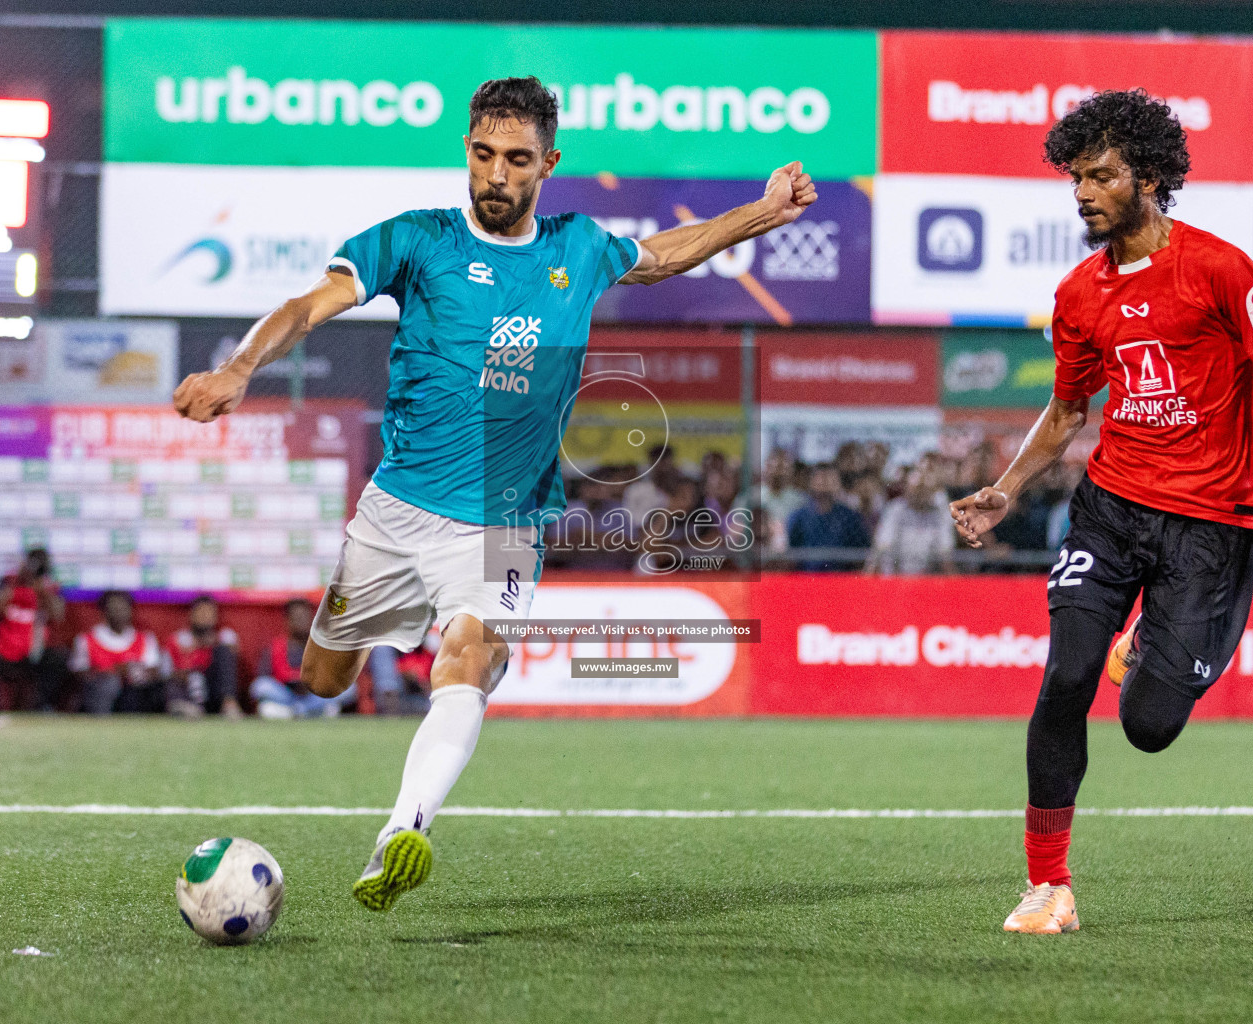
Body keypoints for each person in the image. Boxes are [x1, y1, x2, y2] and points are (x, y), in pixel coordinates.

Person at [173, 75, 816, 913]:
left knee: (471, 654)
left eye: (517, 160)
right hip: (398, 510)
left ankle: (401, 833)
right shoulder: (416, 241)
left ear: (549, 163)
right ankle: (391, 659)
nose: (497, 176)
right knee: (324, 677)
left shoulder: (578, 248)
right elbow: (306, 305)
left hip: (508, 522)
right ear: (467, 151)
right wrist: (238, 366)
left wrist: (762, 212)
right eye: (483, 155)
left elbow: (664, 254)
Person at [950, 90, 1253, 935]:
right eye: (1076, 177)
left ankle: (1149, 647)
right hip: (1111, 507)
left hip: (1212, 526)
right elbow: (1066, 413)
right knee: (1065, 676)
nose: (1083, 193)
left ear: (1152, 177)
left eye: (1101, 176)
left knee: (1149, 726)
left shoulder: (1219, 268)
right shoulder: (1078, 295)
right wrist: (1008, 488)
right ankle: (1047, 886)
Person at [0, 548, 69, 711]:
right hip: (6, 651)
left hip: (36, 652)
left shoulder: (49, 588)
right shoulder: (9, 583)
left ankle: (42, 706)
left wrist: (42, 591)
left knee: (59, 659)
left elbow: (58, 615)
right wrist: (18, 583)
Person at [251, 598, 359, 718]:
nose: (301, 621)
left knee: (349, 688)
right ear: (288, 620)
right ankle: (310, 712)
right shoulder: (277, 646)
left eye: (305, 617)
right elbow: (264, 677)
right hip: (287, 694)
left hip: (314, 696)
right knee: (260, 686)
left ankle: (294, 712)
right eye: (297, 618)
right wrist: (293, 682)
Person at [69, 591, 164, 715]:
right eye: (113, 608)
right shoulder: (86, 639)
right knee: (110, 683)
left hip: (135, 692)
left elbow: (154, 670)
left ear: (131, 610)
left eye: (123, 608)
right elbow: (78, 673)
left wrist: (134, 671)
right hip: (101, 692)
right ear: (104, 611)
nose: (119, 612)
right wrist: (113, 671)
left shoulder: (145, 638)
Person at [164, 596, 244, 720]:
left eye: (208, 613)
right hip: (187, 687)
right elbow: (166, 671)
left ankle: (229, 705)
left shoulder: (224, 636)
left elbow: (233, 661)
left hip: (213, 689)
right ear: (191, 615)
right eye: (201, 612)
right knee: (177, 682)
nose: (204, 617)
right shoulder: (178, 639)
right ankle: (187, 709)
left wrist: (210, 644)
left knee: (224, 652)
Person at [866, 465, 954, 575]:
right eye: (918, 488)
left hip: (928, 580)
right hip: (895, 579)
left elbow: (945, 553)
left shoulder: (939, 514)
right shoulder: (895, 509)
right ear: (907, 488)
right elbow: (883, 546)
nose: (921, 494)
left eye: (925, 489)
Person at [785, 464, 869, 571]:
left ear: (838, 483)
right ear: (811, 482)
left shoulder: (850, 517)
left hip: (841, 579)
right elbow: (789, 553)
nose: (826, 483)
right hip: (805, 579)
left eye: (831, 479)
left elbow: (862, 552)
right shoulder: (798, 517)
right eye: (821, 478)